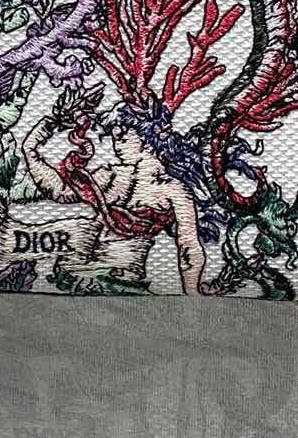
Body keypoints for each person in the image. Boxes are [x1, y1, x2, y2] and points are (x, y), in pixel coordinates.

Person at [21, 87, 206, 294]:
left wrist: (193, 294)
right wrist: (32, 145)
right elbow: (61, 191)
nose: (116, 142)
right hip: (91, 275)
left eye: (123, 134)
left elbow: (189, 247)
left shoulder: (165, 188)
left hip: (113, 282)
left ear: (148, 138)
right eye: (115, 135)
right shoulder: (117, 178)